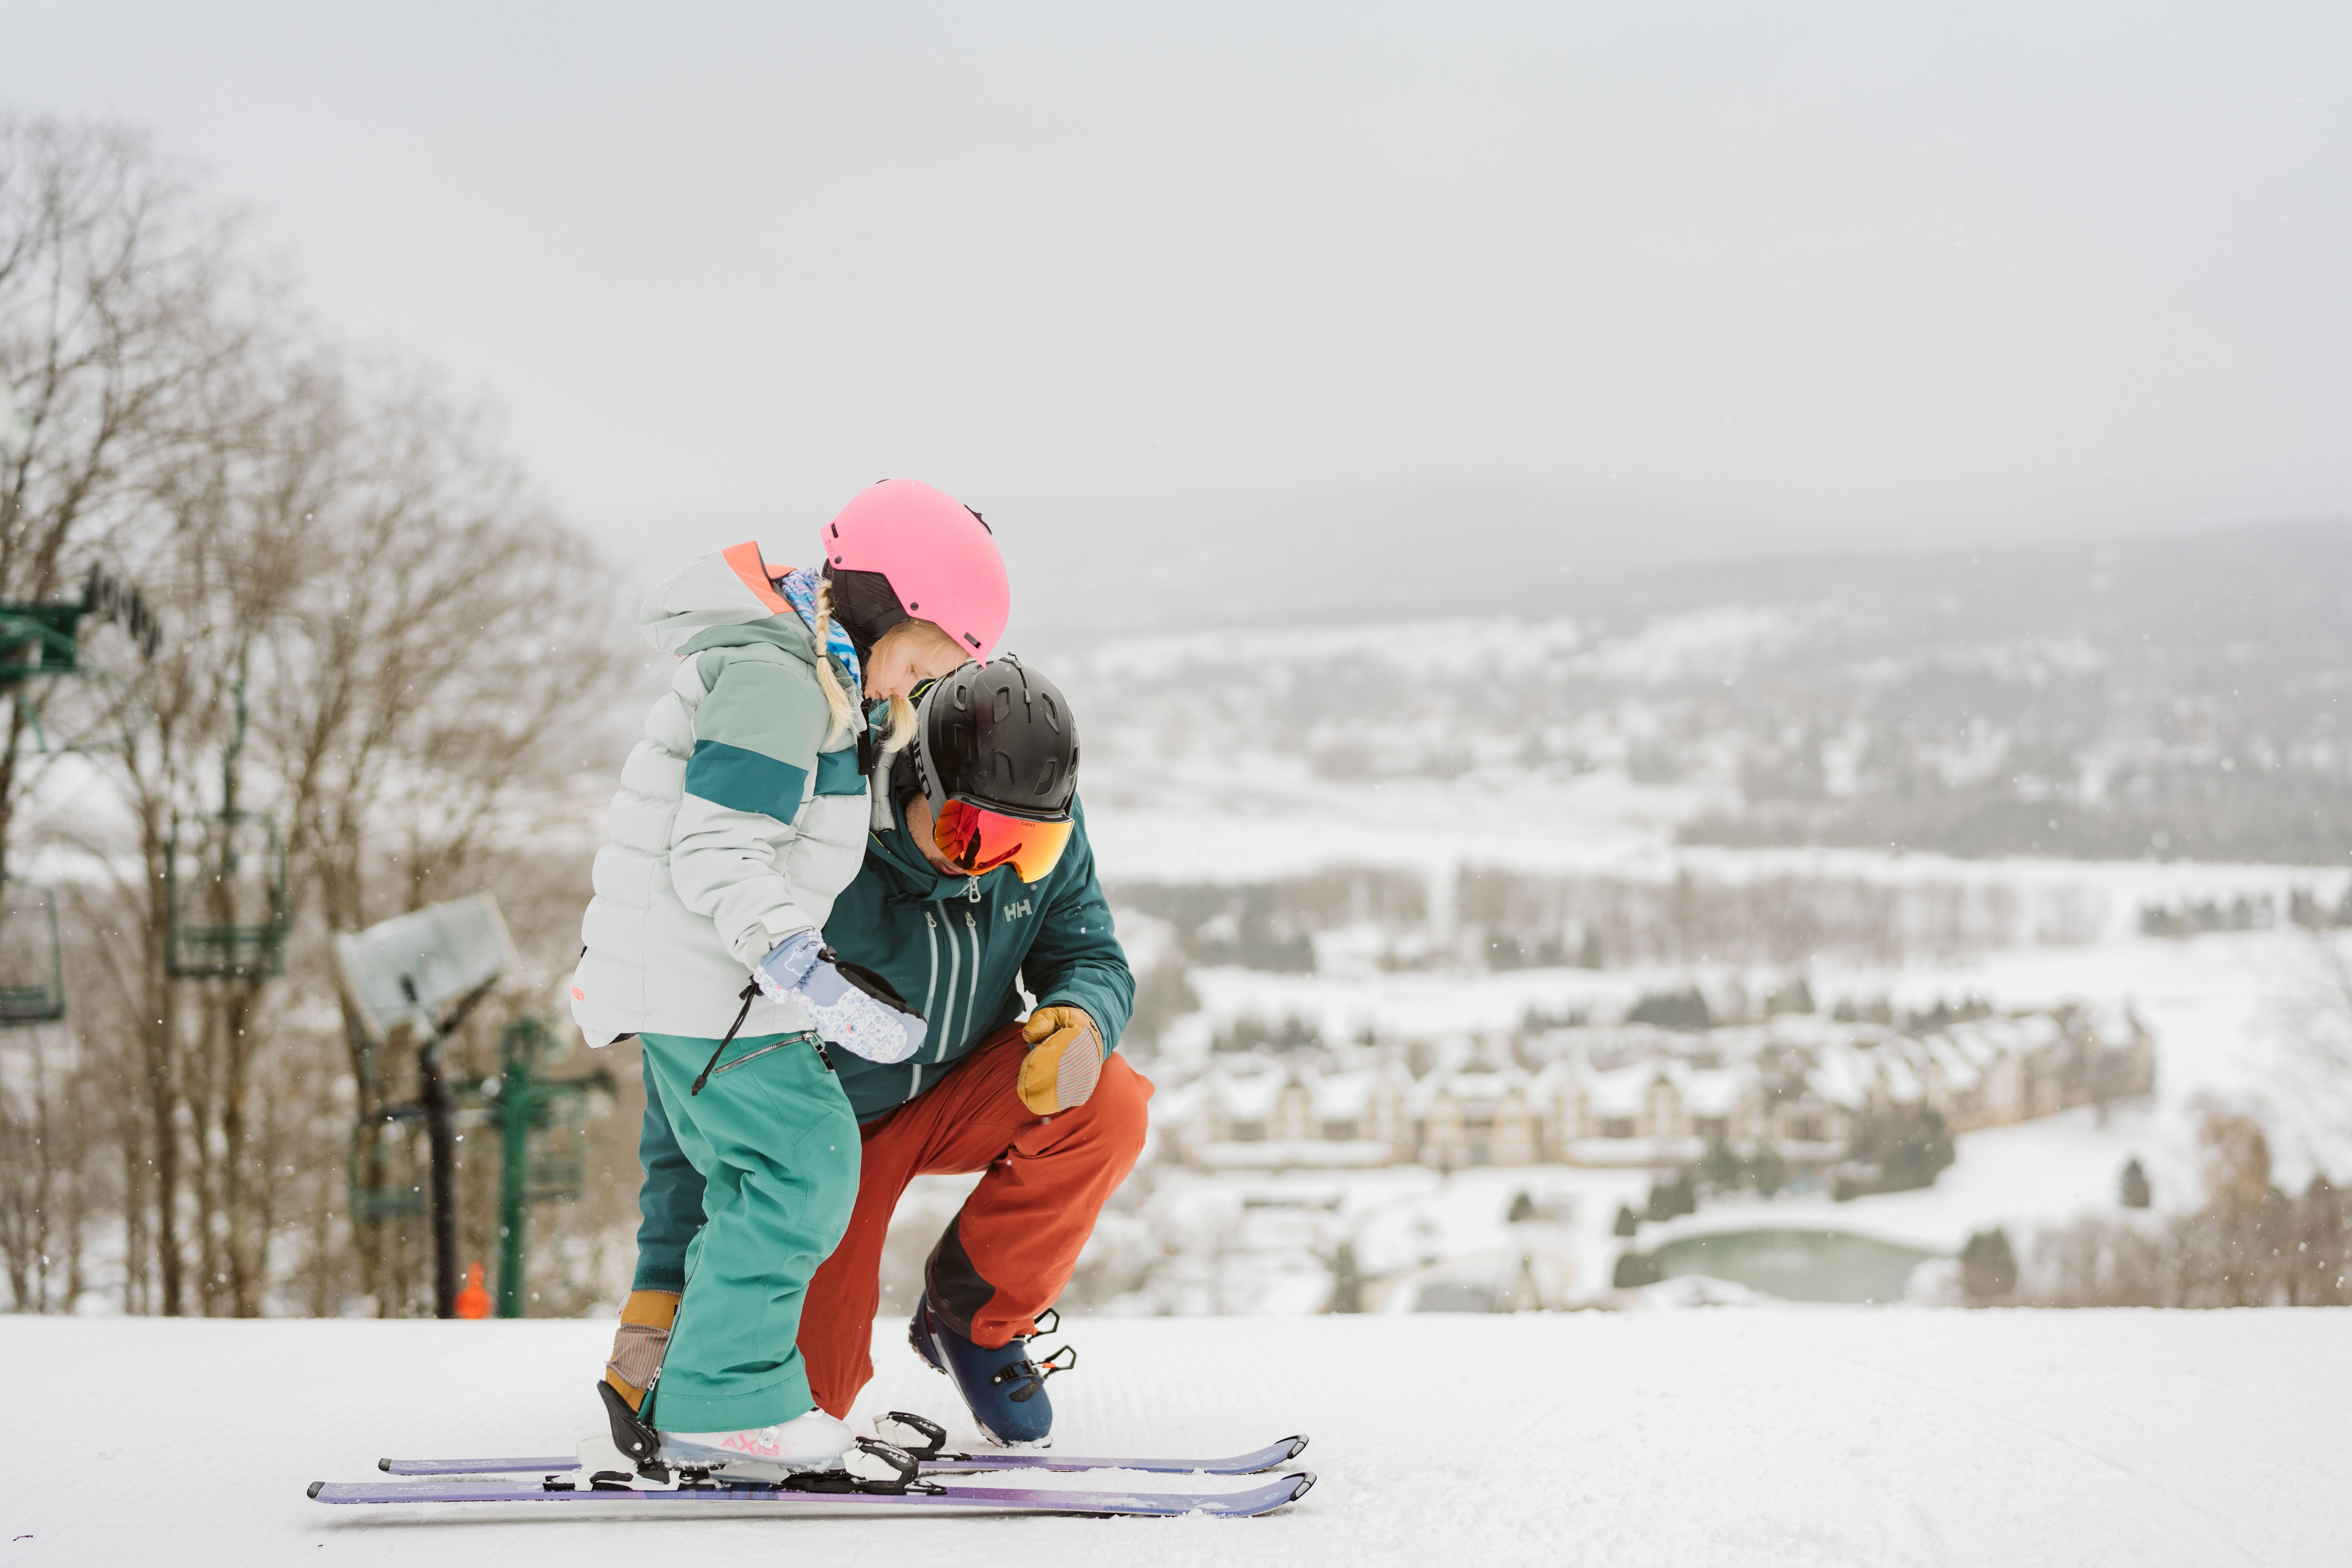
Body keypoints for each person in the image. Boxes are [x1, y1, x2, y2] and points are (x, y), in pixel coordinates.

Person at [571, 479, 1008, 1481]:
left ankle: (702, 1384)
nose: (929, 679)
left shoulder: (819, 673)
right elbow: (719, 852)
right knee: (803, 1163)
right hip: (706, 980)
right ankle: (722, 1402)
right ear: (890, 600)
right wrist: (801, 967)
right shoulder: (776, 680)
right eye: (935, 650)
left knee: (762, 1176)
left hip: (708, 979)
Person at [605, 656, 1143, 1449]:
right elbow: (695, 1069)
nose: (997, 862)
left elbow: (1090, 955)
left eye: (1028, 847)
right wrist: (658, 1284)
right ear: (916, 778)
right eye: (974, 833)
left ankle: (974, 1321)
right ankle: (704, 1377)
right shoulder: (821, 844)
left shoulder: (1034, 820)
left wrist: (1080, 1017)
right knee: (810, 1403)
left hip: (968, 1087)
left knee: (1109, 1104)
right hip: (828, 1134)